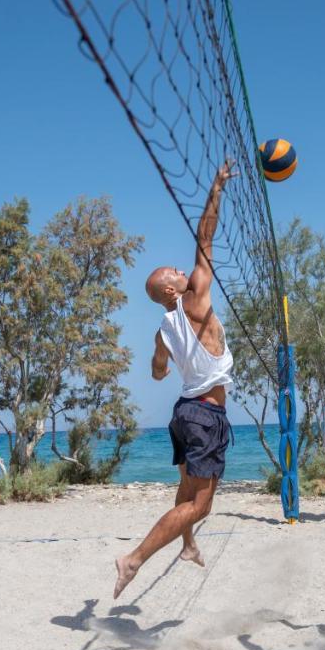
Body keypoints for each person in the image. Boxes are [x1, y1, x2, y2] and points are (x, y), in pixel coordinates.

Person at [114, 160, 235, 599]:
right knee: (200, 505)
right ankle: (134, 559)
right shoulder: (193, 299)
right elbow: (205, 236)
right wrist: (217, 186)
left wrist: (169, 360)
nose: (185, 274)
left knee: (186, 493)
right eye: (176, 275)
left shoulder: (162, 328)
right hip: (205, 413)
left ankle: (186, 546)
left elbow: (157, 370)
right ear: (170, 289)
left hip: (183, 412)